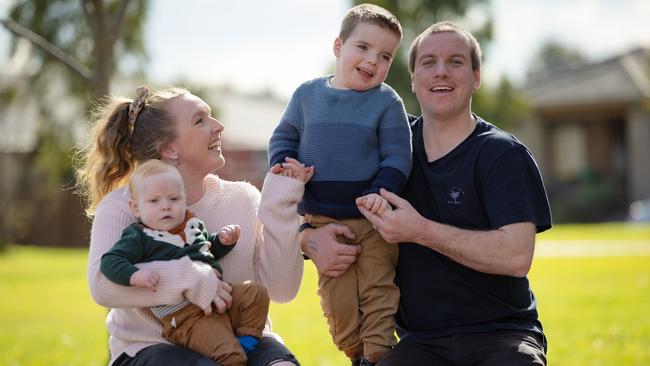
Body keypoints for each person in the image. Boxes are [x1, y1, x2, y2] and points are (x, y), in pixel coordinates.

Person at [303, 21, 551, 366]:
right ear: (414, 78)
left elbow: (516, 256)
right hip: (419, 343)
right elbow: (306, 198)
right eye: (429, 62)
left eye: (456, 62)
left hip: (502, 335)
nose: (441, 73)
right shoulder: (383, 146)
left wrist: (419, 230)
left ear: (476, 77)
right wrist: (308, 240)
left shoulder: (502, 155)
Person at [75, 85, 312, 366]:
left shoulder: (243, 198)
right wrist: (189, 278)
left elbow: (282, 290)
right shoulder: (124, 205)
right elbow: (102, 286)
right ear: (169, 149)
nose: (218, 126)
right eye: (200, 120)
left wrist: (282, 207)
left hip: (242, 337)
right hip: (151, 347)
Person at [268, 4, 412, 365]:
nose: (372, 60)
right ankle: (354, 352)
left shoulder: (386, 102)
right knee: (339, 299)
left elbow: (398, 156)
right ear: (338, 47)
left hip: (372, 221)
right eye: (362, 47)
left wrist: (379, 194)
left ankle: (378, 354)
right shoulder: (307, 95)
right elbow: (283, 137)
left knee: (379, 289)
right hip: (322, 220)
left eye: (384, 56)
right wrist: (286, 167)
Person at [101, 159, 300, 365]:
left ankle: (246, 341)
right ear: (136, 208)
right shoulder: (140, 236)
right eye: (154, 201)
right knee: (229, 354)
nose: (165, 207)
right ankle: (234, 353)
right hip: (186, 315)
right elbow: (110, 261)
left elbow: (205, 252)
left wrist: (221, 241)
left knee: (256, 294)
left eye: (173, 199)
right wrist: (135, 275)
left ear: (183, 199)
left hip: (221, 298)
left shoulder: (191, 224)